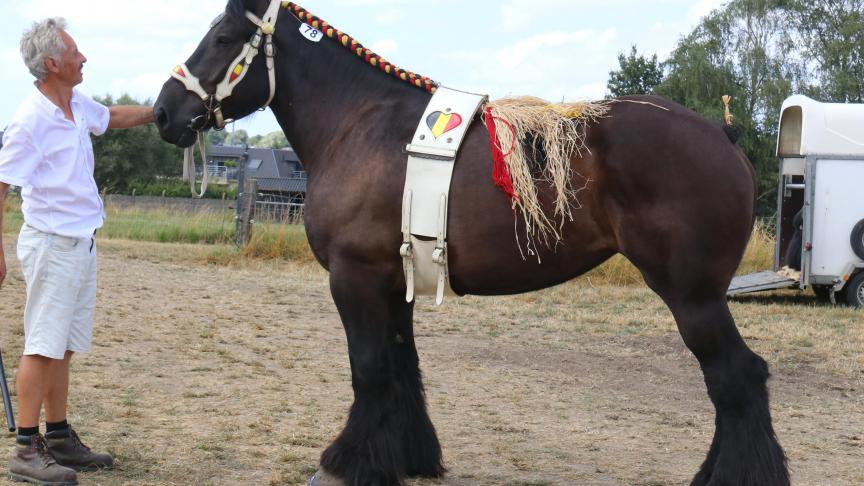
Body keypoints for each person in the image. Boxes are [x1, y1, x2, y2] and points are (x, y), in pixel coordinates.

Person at [0, 18, 154, 485]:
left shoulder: (75, 104)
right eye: (75, 52)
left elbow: (114, 116)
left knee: (63, 347)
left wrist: (163, 110)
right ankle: (26, 450)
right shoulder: (29, 121)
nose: (83, 58)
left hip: (81, 241)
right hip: (51, 243)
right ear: (52, 63)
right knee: (42, 346)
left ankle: (60, 436)